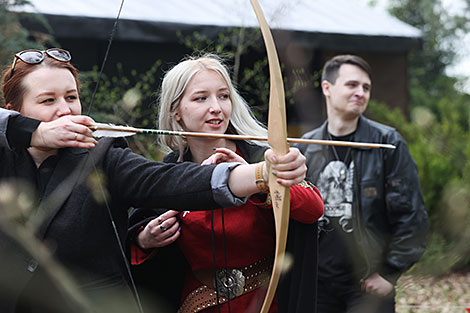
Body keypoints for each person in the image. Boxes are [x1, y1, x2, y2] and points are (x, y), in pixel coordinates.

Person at [0, 48, 309, 313]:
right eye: (47, 101)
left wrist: (262, 174)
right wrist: (33, 132)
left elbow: (174, 180)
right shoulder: (6, 154)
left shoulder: (103, 156)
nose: (65, 110)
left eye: (71, 97)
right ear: (14, 111)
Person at [128, 54, 324, 313]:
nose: (217, 108)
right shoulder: (169, 171)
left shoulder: (257, 156)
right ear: (175, 111)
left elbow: (313, 209)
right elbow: (133, 237)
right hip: (198, 303)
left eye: (223, 96)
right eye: (201, 98)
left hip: (266, 302)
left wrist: (258, 178)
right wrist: (145, 239)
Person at [296, 54, 429, 313]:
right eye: (352, 85)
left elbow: (412, 216)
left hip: (366, 284)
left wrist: (389, 272)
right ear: (327, 88)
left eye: (366, 87)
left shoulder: (387, 143)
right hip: (318, 284)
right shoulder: (306, 147)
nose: (360, 93)